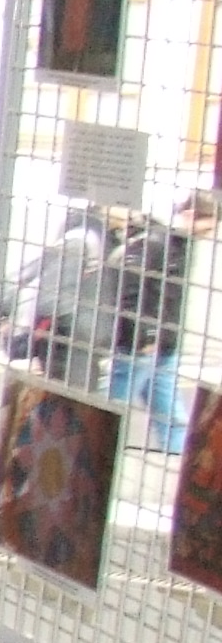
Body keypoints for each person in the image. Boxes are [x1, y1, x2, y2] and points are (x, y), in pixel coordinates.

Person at [107, 192, 216, 451]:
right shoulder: (157, 243)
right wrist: (146, 335)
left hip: (163, 345)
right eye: (207, 227)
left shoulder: (179, 244)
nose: (209, 234)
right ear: (190, 215)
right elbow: (131, 290)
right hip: (142, 345)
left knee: (172, 417)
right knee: (112, 406)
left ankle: (177, 457)